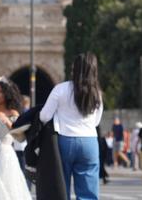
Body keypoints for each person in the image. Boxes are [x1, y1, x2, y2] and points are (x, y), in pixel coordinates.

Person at [40, 52, 104, 200]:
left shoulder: (60, 89)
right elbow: (96, 121)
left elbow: (44, 116)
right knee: (88, 192)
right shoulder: (97, 93)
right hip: (89, 141)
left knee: (62, 188)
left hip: (65, 140)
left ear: (74, 68)